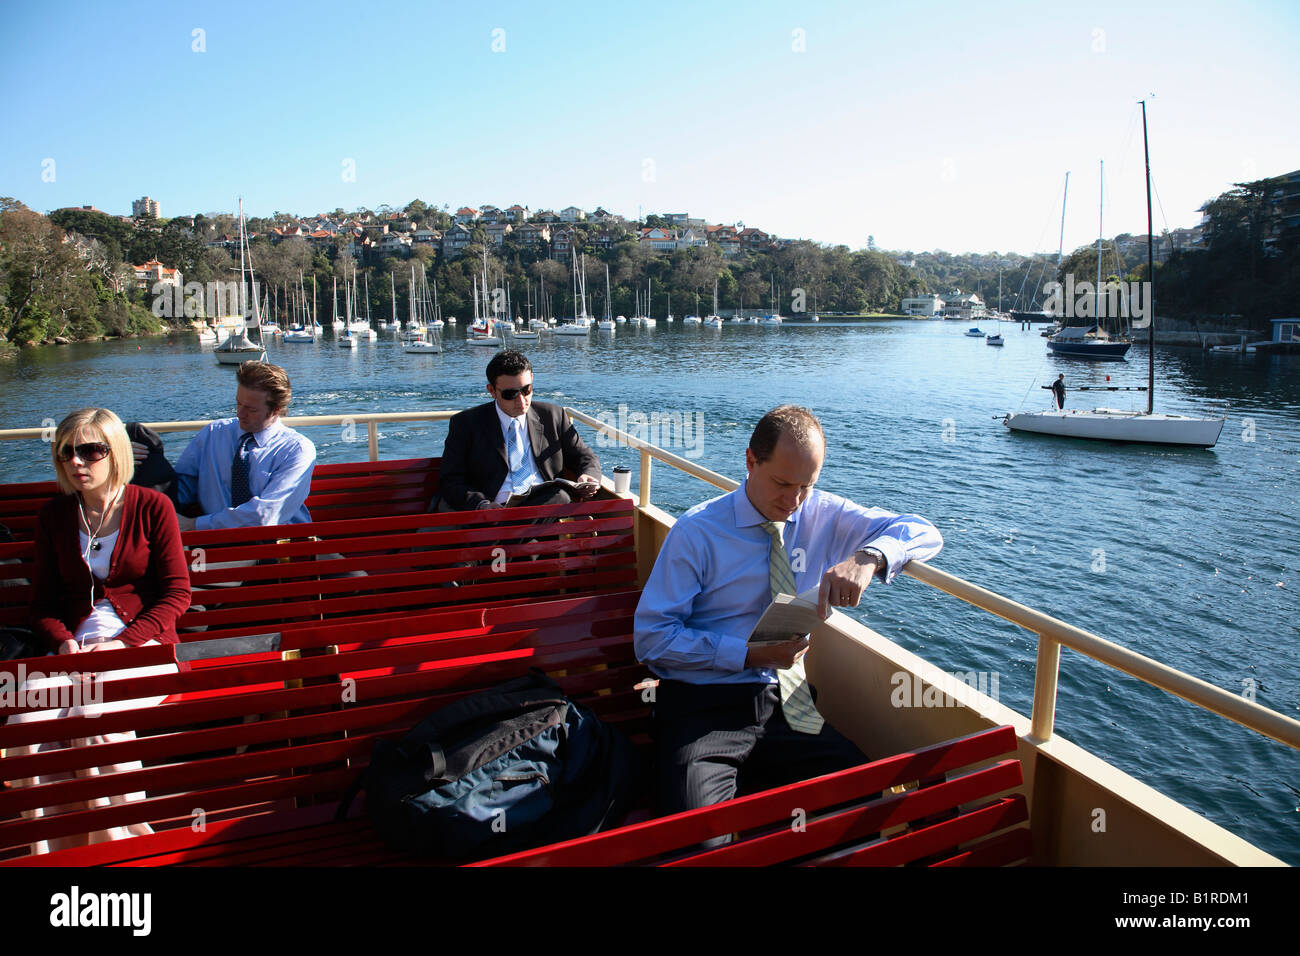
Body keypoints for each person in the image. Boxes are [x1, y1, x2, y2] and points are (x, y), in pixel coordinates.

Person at [634, 405, 943, 816]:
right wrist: (749, 654)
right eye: (782, 483)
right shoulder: (697, 531)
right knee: (699, 833)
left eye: (806, 486)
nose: (794, 501)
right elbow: (652, 639)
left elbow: (925, 532)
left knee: (863, 798)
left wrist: (869, 556)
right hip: (703, 703)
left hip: (787, 702)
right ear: (750, 461)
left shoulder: (821, 514)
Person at [9, 408, 190, 853]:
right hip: (71, 655)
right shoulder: (54, 516)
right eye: (67, 452)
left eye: (91, 450)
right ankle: (56, 852)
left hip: (140, 650)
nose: (78, 462)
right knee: (25, 724)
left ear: (116, 453)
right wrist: (65, 640)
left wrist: (121, 643)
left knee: (93, 718)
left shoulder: (152, 506)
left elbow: (177, 594)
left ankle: (124, 846)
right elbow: (42, 605)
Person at [439, 350, 601, 511]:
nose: (521, 400)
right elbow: (451, 480)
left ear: (532, 379)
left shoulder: (553, 416)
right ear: (492, 391)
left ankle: (511, 535)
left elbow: (583, 456)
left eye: (526, 390)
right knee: (559, 498)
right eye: (511, 394)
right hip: (494, 508)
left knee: (559, 496)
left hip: (543, 502)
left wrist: (589, 475)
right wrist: (481, 504)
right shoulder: (466, 423)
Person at [172, 360, 315, 530]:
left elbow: (267, 514)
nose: (239, 414)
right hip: (216, 543)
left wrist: (194, 525)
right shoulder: (213, 434)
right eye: (238, 403)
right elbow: (180, 487)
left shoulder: (296, 450)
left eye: (251, 410)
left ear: (276, 410)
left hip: (279, 545)